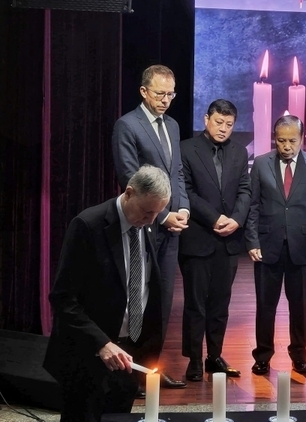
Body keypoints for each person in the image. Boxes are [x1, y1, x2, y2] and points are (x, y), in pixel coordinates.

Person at [43, 165, 171, 422]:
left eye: (157, 213)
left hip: (130, 354)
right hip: (89, 356)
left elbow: (146, 286)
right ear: (129, 193)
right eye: (147, 212)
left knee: (118, 418)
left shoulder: (147, 224)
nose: (151, 220)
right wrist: (101, 343)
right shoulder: (88, 225)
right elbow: (63, 297)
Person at [112, 64, 188, 390]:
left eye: (171, 94)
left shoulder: (172, 125)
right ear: (144, 91)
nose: (166, 100)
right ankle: (131, 373)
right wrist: (164, 213)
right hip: (142, 225)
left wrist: (182, 208)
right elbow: (130, 177)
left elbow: (177, 173)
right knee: (137, 298)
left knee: (162, 300)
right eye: (160, 93)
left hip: (171, 228)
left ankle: (151, 371)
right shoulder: (127, 125)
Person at [245, 115, 306, 376]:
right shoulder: (261, 163)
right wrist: (252, 240)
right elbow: (253, 206)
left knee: (299, 307)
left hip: (302, 247)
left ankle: (299, 355)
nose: (286, 146)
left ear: (302, 139)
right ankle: (262, 356)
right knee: (265, 306)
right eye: (281, 140)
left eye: (292, 140)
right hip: (267, 246)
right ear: (274, 139)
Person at [179, 99, 251, 380]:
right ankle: (194, 359)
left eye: (229, 124)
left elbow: (245, 190)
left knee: (221, 303)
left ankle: (214, 356)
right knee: (195, 304)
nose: (223, 129)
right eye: (219, 122)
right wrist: (214, 218)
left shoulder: (239, 152)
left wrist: (237, 219)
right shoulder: (186, 149)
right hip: (198, 238)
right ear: (206, 119)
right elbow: (186, 191)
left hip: (229, 239)